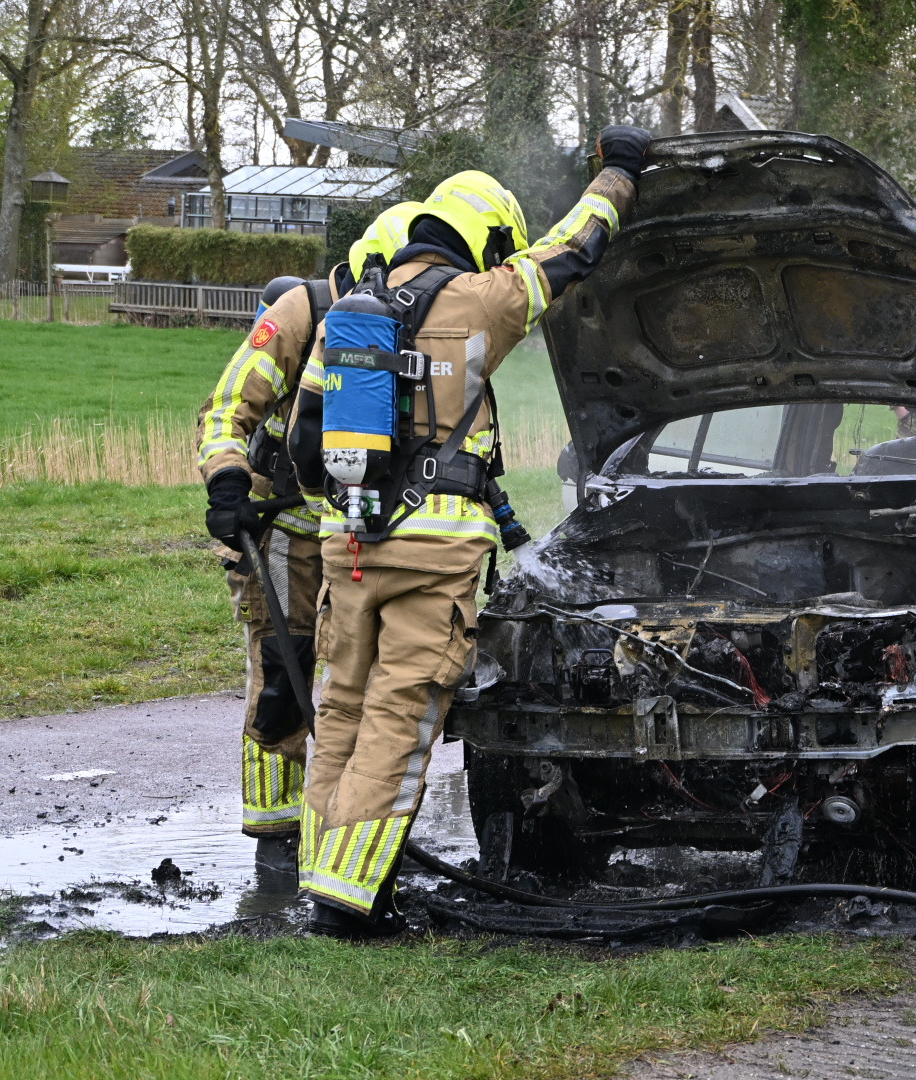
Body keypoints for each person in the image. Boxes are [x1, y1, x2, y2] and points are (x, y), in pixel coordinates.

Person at [285, 127, 651, 938]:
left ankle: (324, 873)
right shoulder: (482, 303)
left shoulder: (350, 312)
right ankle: (351, 903)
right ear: (484, 240)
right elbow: (575, 248)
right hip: (435, 555)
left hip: (348, 547)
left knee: (340, 705)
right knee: (400, 714)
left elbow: (302, 454)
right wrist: (621, 172)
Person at [195, 201, 425, 875]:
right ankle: (277, 840)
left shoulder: (417, 318)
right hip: (286, 528)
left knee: (367, 684)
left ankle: (352, 826)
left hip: (367, 534)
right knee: (280, 676)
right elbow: (227, 408)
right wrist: (227, 481)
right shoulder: (302, 309)